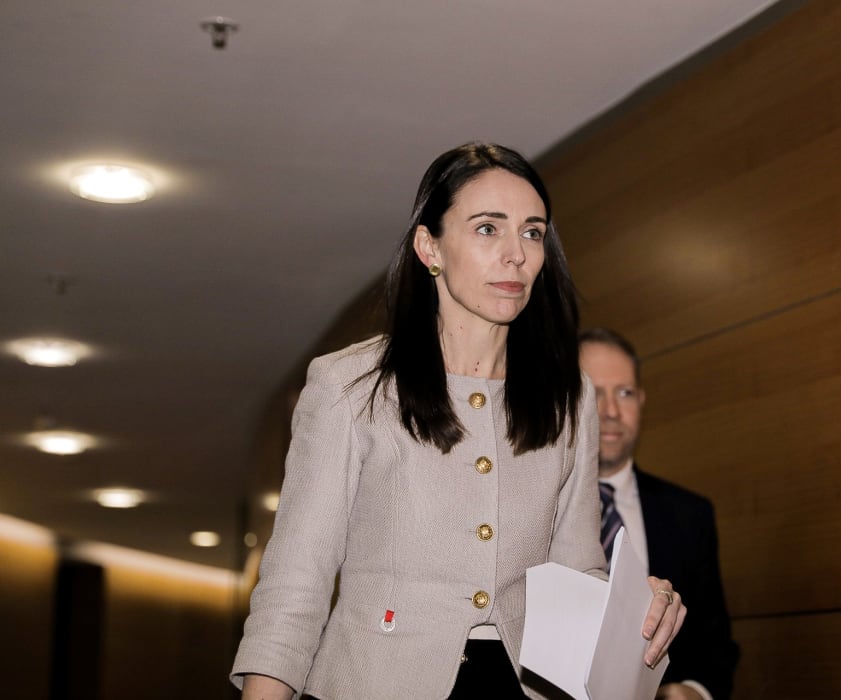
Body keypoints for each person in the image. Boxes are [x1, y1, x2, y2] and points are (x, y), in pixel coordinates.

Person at [231, 143, 686, 699]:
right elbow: (295, 587)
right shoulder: (350, 385)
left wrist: (635, 605)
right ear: (430, 248)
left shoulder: (571, 397)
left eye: (532, 232)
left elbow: (575, 571)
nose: (516, 254)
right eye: (488, 229)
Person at [579, 328, 739, 700]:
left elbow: (714, 647)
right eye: (592, 392)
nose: (611, 411)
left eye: (625, 392)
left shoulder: (691, 515)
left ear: (642, 400)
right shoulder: (529, 512)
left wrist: (693, 692)